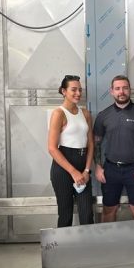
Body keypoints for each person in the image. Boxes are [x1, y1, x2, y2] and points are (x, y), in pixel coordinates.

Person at [94, 75, 134, 222]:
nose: (121, 91)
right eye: (117, 88)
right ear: (112, 91)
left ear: (130, 90)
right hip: (110, 170)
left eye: (125, 88)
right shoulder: (103, 116)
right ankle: (109, 243)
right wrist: (97, 167)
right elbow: (96, 142)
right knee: (109, 210)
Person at [48, 75, 94, 227]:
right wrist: (73, 172)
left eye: (80, 90)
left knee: (87, 214)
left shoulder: (86, 114)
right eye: (73, 90)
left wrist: (86, 170)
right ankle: (62, 250)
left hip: (83, 165)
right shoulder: (58, 113)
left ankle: (87, 249)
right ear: (63, 91)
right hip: (63, 168)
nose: (78, 93)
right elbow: (52, 148)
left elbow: (91, 144)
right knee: (65, 213)